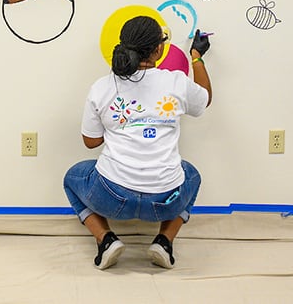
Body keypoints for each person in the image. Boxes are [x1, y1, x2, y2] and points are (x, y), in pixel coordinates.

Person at [63, 17, 212, 270]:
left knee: (72, 177)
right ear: (158, 49)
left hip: (111, 198)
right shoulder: (176, 82)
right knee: (192, 176)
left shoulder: (102, 87)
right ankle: (164, 242)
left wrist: (122, 127)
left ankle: (105, 240)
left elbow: (91, 141)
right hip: (165, 202)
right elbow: (204, 98)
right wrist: (196, 57)